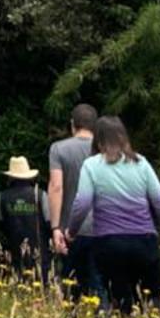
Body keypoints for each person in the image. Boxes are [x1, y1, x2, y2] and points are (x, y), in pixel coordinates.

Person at [59, 115, 160, 316]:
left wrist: (71, 231)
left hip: (109, 243)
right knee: (151, 300)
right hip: (144, 241)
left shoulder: (92, 165)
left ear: (98, 139)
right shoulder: (141, 163)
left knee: (121, 299)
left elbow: (82, 202)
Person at [48, 103, 104, 307]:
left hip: (71, 228)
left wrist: (56, 227)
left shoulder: (59, 149)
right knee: (99, 284)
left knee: (69, 282)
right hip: (102, 228)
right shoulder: (105, 152)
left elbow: (56, 187)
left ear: (73, 125)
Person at [0, 156, 51, 283]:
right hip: (39, 249)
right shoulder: (40, 195)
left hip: (13, 248)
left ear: (11, 177)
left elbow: (0, 220)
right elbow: (49, 221)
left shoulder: (2, 197)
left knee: (18, 280)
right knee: (41, 283)